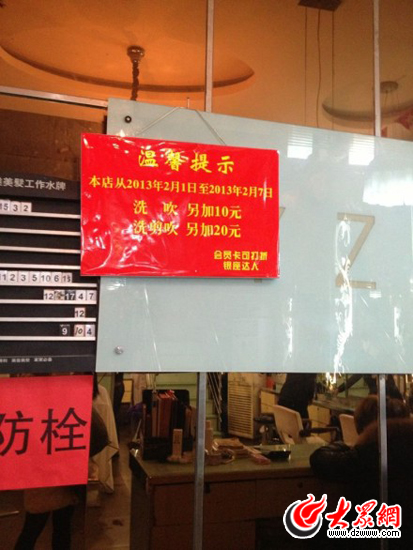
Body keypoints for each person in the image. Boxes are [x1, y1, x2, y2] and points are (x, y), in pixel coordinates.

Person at [310, 396, 411, 548]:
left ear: (363, 426)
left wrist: (343, 445)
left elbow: (319, 460)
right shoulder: (403, 449)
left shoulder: (368, 454)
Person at [14, 406, 109, 550]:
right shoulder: (71, 401)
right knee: (60, 529)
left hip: (45, 473)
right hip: (65, 470)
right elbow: (100, 435)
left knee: (33, 529)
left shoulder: (34, 403)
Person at [336, 374, 403, 401]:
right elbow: (352, 380)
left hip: (387, 398)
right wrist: (339, 389)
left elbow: (392, 386)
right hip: (374, 398)